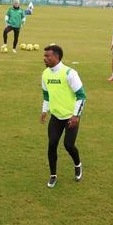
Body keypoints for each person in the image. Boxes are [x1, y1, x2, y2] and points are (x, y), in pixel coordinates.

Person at [40, 44, 86, 188]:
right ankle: (53, 175)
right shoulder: (45, 74)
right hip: (56, 117)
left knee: (68, 145)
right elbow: (46, 95)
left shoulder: (69, 73)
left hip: (70, 117)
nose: (44, 58)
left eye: (47, 56)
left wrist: (75, 116)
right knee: (52, 144)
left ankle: (77, 164)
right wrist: (44, 110)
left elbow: (81, 96)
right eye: (44, 56)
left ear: (57, 57)